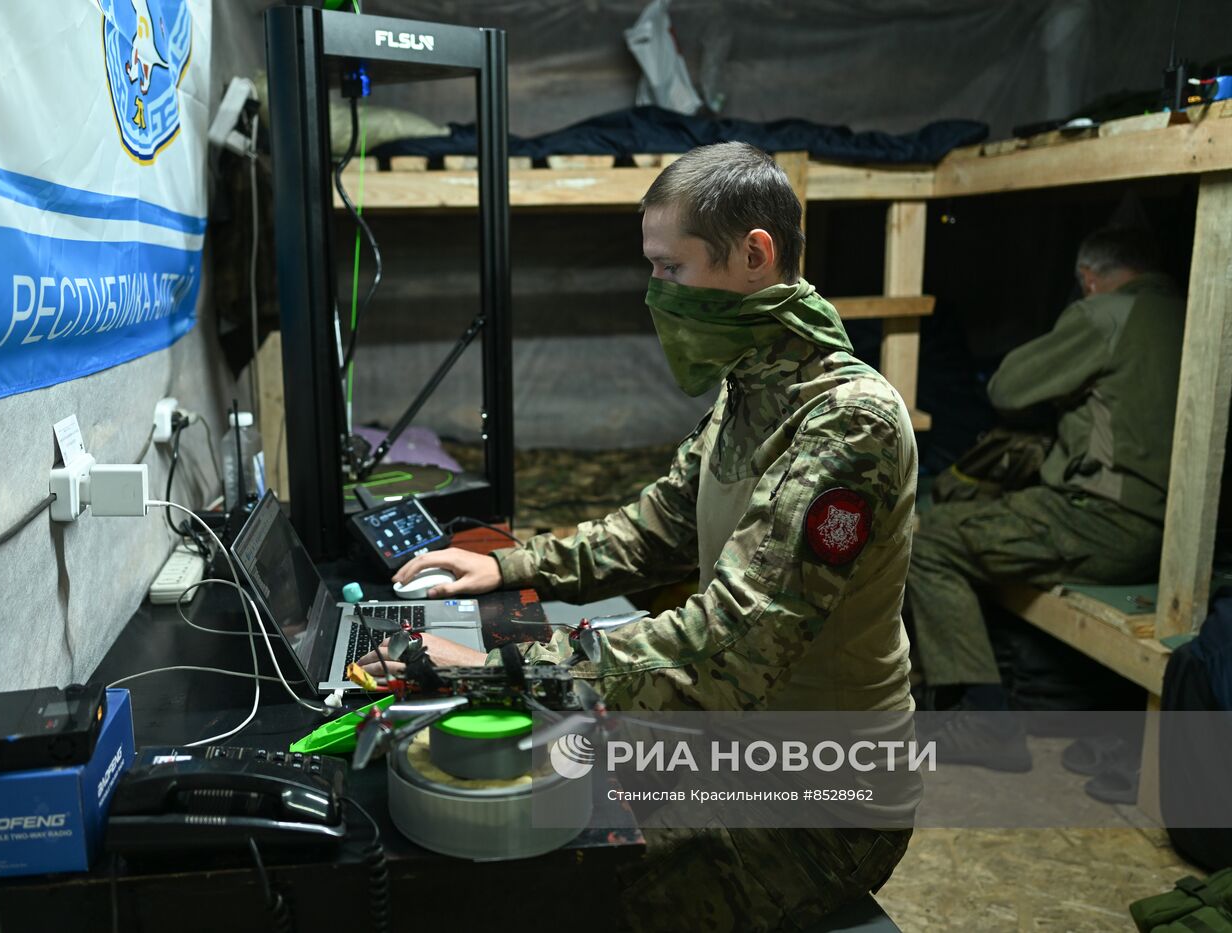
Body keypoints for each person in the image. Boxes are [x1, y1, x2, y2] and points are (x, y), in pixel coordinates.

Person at [360, 141, 918, 931]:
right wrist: (509, 565)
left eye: (671, 269)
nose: (655, 293)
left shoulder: (847, 423)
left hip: (819, 802)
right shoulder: (751, 389)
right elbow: (653, 528)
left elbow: (729, 645)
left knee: (555, 880)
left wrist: (500, 668)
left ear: (755, 255)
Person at [906, 225, 1186, 770]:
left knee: (932, 539)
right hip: (1178, 537)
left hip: (1106, 524)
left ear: (1088, 278)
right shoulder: (1193, 311)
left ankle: (985, 721)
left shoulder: (1104, 315)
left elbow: (1008, 388)